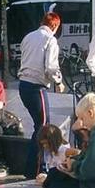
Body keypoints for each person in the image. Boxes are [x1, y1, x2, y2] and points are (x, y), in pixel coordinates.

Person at [18, 11, 67, 177]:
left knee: (39, 125)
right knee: (43, 128)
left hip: (24, 84)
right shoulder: (50, 40)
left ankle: (33, 167)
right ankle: (37, 168)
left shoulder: (28, 36)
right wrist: (59, 82)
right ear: (55, 26)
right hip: (36, 86)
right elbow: (51, 67)